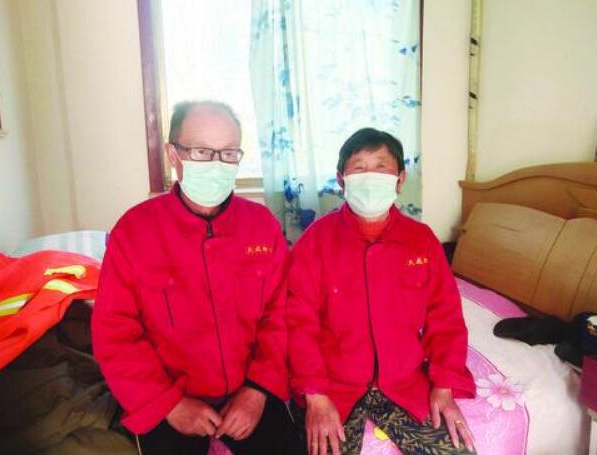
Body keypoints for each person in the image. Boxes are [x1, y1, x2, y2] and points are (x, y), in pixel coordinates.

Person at [92, 101, 304, 455]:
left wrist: (257, 390)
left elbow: (280, 315)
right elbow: (115, 333)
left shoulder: (261, 226)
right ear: (173, 155)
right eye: (202, 152)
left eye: (229, 153)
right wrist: (168, 404)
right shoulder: (134, 232)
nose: (217, 165)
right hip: (169, 399)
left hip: (251, 390)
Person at [287, 128, 477, 455]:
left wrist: (444, 385)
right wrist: (315, 395)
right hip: (333, 386)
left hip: (405, 382)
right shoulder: (315, 242)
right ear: (342, 180)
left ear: (400, 180)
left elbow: (445, 319)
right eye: (359, 168)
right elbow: (297, 323)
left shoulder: (421, 241)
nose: (370, 177)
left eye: (381, 167)